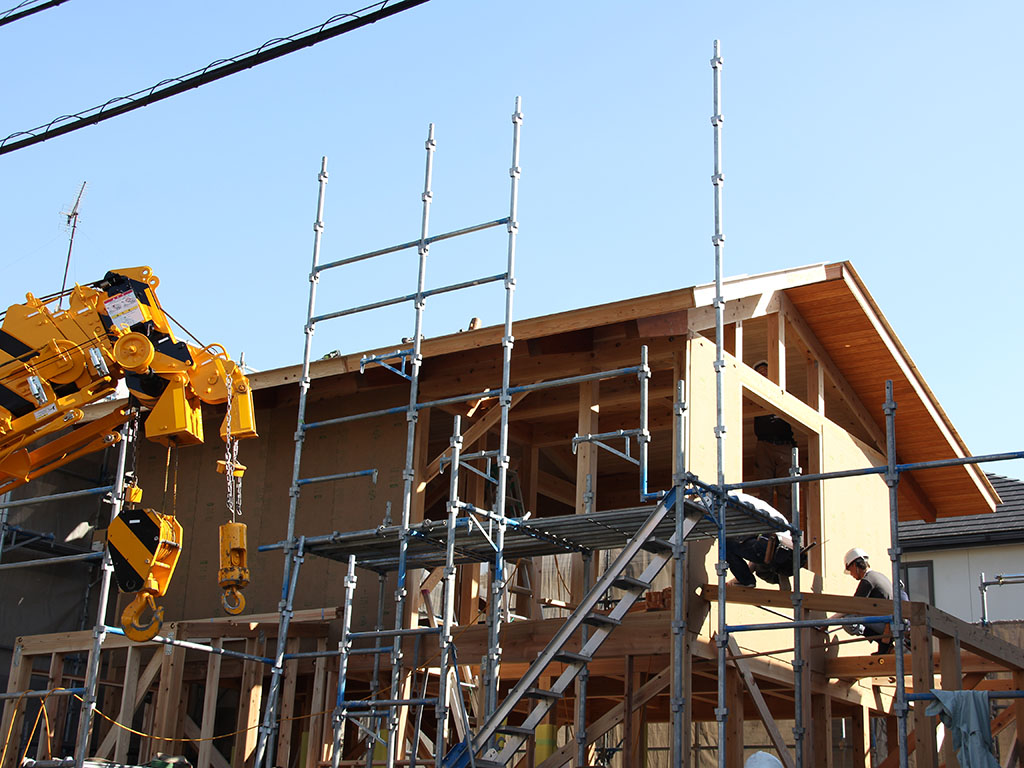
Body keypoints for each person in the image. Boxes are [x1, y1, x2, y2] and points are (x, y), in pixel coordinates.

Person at [724, 492, 802, 587]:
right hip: (787, 552)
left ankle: (746, 581)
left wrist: (744, 579)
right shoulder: (752, 505)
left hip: (776, 547)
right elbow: (755, 553)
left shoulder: (730, 501)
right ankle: (748, 581)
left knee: (727, 546)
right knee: (755, 551)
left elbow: (758, 554)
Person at [752, 361, 796, 514]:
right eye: (759, 371)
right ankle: (767, 524)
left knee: (786, 489)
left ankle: (785, 526)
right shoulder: (753, 393)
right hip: (764, 445)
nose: (763, 373)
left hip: (784, 445)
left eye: (765, 370)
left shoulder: (782, 393)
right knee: (765, 488)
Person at [840, 547, 903, 654]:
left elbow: (851, 607)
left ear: (855, 565)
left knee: (848, 621)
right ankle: (885, 645)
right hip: (892, 622)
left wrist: (827, 622)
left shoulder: (867, 581)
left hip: (887, 624)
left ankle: (884, 644)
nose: (851, 574)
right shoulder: (879, 576)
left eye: (850, 570)